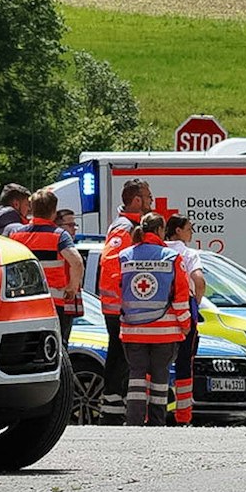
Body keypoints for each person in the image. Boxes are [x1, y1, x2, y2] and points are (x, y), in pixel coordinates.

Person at [116, 213, 191, 426]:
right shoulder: (171, 257)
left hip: (132, 331)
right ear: (160, 231)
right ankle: (157, 423)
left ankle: (134, 421)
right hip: (164, 331)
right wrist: (185, 325)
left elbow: (116, 290)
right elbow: (181, 296)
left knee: (136, 376)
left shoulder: (124, 256)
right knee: (160, 377)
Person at [95, 178, 153, 423]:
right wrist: (126, 296)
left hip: (122, 305)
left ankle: (115, 407)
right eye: (148, 197)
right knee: (120, 357)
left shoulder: (130, 225)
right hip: (119, 306)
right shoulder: (123, 228)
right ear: (137, 200)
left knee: (123, 358)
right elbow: (110, 265)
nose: (152, 201)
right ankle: (111, 408)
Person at [7, 190, 84, 341]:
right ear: (54, 212)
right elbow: (77, 262)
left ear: (32, 209)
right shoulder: (59, 235)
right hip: (53, 302)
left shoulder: (16, 235)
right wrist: (72, 287)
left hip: (24, 302)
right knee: (55, 346)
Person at [162, 215, 208, 425]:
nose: (191, 233)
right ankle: (183, 417)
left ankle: (151, 413)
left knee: (155, 364)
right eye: (189, 228)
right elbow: (199, 280)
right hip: (184, 311)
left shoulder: (158, 250)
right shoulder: (188, 254)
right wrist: (195, 303)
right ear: (178, 231)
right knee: (183, 364)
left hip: (158, 311)